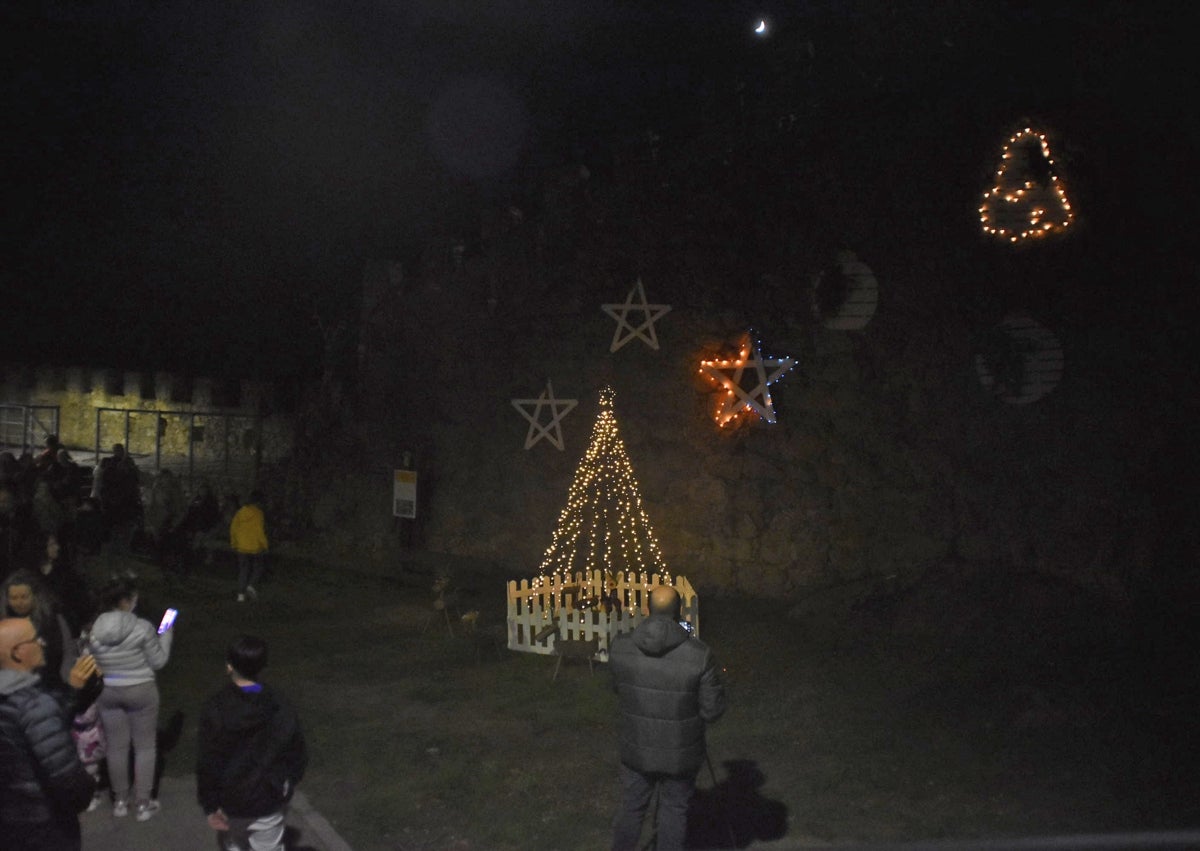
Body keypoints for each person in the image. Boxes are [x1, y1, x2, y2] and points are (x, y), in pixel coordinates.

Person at [608, 585, 726, 851]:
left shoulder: (621, 647)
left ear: (648, 608)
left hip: (636, 747)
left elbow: (617, 689)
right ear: (679, 610)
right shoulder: (699, 654)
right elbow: (712, 710)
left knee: (632, 807)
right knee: (674, 810)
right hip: (680, 753)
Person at [0, 616, 103, 851]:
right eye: (35, 640)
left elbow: (40, 727)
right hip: (44, 826)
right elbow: (68, 780)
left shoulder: (17, 700)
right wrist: (88, 786)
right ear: (18, 653)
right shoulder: (35, 705)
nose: (43, 643)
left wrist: (76, 689)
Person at [197, 635, 307, 851]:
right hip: (268, 797)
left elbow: (208, 761)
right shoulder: (278, 703)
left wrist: (210, 805)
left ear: (229, 666)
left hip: (230, 801)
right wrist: (285, 783)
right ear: (262, 666)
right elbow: (297, 753)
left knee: (234, 846)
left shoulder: (217, 707)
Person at [86, 574, 174, 822]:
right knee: (145, 746)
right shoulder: (142, 627)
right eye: (134, 597)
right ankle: (143, 804)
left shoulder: (93, 628)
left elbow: (90, 659)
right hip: (141, 689)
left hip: (109, 690)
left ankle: (120, 802)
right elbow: (159, 661)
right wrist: (165, 632)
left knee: (116, 747)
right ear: (126, 600)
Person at [3, 568, 77, 689]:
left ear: (35, 596)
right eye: (14, 598)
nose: (19, 602)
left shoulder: (52, 620)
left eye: (24, 597)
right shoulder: (4, 623)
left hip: (50, 687)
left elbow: (67, 652)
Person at [230, 491, 269, 603]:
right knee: (258, 567)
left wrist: (234, 542)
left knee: (243, 570)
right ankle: (251, 586)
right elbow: (259, 531)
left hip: (241, 546)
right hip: (255, 546)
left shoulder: (240, 512)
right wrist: (265, 545)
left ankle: (240, 595)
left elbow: (233, 528)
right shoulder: (258, 513)